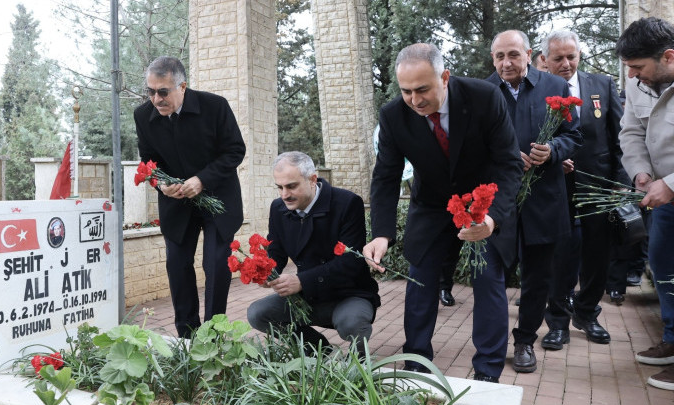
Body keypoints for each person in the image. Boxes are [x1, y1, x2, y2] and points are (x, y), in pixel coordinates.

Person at [364, 43, 523, 383]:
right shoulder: (394, 115)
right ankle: (417, 363)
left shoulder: (484, 98)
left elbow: (509, 165)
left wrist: (491, 219)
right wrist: (381, 233)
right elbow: (386, 176)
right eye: (406, 91)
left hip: (484, 201)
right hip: (433, 204)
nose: (415, 100)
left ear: (445, 77)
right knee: (420, 278)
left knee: (488, 278)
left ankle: (488, 371)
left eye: (423, 89)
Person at [485, 30, 581, 374]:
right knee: (494, 274)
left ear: (528, 54)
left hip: (544, 199)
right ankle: (492, 342)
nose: (506, 63)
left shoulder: (555, 88)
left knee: (538, 276)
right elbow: (473, 147)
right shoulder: (484, 93)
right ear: (493, 59)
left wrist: (552, 151)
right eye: (499, 57)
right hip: (500, 203)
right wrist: (509, 158)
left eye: (513, 55)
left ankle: (524, 340)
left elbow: (574, 135)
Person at [134, 56, 245, 338]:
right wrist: (161, 184)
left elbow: (235, 150)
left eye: (163, 91)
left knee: (216, 265)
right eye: (151, 91)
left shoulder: (215, 106)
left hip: (218, 200)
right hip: (176, 204)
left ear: (182, 86)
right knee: (177, 265)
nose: (156, 99)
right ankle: (187, 336)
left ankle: (212, 334)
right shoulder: (142, 116)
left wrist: (202, 179)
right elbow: (149, 160)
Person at [539, 30, 629, 350]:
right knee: (559, 254)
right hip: (555, 186)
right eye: (558, 58)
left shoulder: (602, 85)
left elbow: (620, 138)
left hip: (599, 185)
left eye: (571, 56)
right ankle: (558, 321)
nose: (566, 64)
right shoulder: (538, 90)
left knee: (597, 252)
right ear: (544, 60)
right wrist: (553, 159)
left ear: (579, 55)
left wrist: (619, 183)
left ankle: (588, 312)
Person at [247, 152, 380, 355]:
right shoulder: (278, 208)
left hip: (349, 294)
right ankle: (320, 352)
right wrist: (267, 271)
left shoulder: (347, 203)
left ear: (312, 180)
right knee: (257, 314)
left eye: (291, 186)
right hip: (307, 297)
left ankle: (359, 366)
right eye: (280, 187)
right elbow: (276, 250)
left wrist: (301, 281)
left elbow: (350, 263)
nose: (284, 195)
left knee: (352, 323)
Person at [616, 16, 674, 391]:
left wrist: (670, 183)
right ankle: (672, 337)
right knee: (664, 264)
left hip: (669, 188)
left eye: (639, 68)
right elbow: (631, 131)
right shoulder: (641, 84)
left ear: (668, 57)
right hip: (662, 196)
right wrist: (640, 172)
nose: (634, 77)